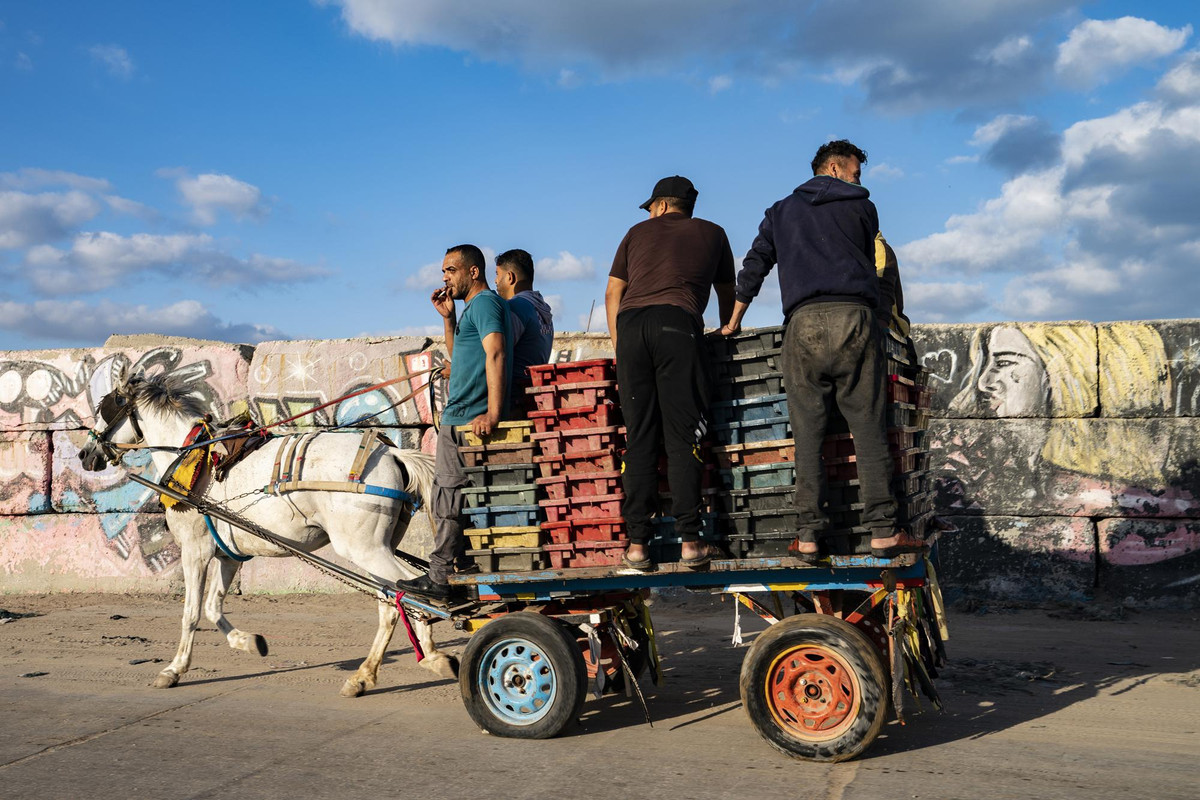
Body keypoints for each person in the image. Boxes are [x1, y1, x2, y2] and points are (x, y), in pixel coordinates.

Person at [721, 140, 924, 559]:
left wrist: (735, 320)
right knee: (867, 429)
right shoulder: (863, 208)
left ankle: (809, 535)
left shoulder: (779, 211)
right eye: (854, 172)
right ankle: (883, 530)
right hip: (854, 318)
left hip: (803, 324)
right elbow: (873, 265)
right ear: (833, 167)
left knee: (808, 434)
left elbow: (755, 265)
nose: (857, 179)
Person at [605, 175, 735, 571]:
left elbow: (613, 292)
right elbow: (728, 293)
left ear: (660, 206)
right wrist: (727, 327)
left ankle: (638, 545)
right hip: (678, 325)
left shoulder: (635, 232)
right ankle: (691, 542)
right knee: (683, 436)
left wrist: (620, 345)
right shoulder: (713, 233)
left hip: (631, 327)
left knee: (640, 436)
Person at [394, 244, 512, 601]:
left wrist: (493, 412)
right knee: (450, 497)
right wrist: (447, 318)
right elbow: (462, 354)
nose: (444, 278)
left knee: (446, 497)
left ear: (472, 272)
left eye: (450, 270)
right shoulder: (471, 310)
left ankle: (441, 577)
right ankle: (455, 570)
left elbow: (496, 351)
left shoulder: (486, 304)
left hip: (464, 419)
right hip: (458, 417)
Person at [494, 248, 555, 395]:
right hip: (533, 393)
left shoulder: (517, 307)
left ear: (510, 277)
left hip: (514, 396)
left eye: (497, 274)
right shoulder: (540, 308)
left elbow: (496, 354)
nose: (495, 281)